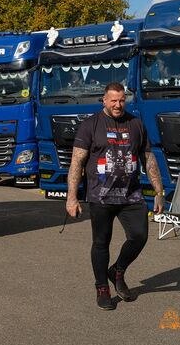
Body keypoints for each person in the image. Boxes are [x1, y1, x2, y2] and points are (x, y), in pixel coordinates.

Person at [66, 82, 164, 310]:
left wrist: (159, 191)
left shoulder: (136, 124)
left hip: (131, 195)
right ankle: (102, 288)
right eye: (113, 100)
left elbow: (148, 159)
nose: (118, 105)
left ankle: (117, 270)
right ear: (104, 100)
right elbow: (76, 162)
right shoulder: (90, 125)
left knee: (139, 236)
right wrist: (72, 197)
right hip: (100, 196)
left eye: (121, 100)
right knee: (101, 243)